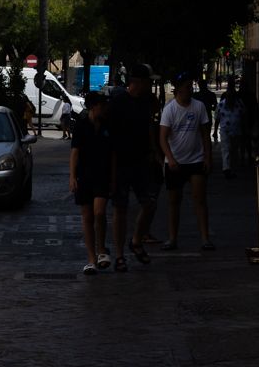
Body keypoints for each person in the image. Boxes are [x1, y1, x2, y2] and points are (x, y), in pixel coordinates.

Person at [108, 63, 162, 268]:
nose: (150, 86)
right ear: (138, 82)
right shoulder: (119, 102)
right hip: (121, 162)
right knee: (120, 209)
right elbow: (111, 137)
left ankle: (136, 240)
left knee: (149, 203)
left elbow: (149, 125)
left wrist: (153, 152)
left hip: (141, 161)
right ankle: (119, 255)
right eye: (148, 82)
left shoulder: (146, 101)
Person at [160, 72, 214, 251]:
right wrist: (170, 159)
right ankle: (172, 238)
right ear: (178, 89)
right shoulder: (170, 109)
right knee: (174, 201)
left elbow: (205, 134)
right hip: (175, 162)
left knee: (200, 199)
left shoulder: (199, 107)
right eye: (187, 87)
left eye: (191, 86)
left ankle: (205, 238)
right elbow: (163, 138)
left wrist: (207, 157)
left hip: (196, 160)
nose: (190, 90)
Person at [69, 91, 113, 275]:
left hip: (102, 175)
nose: (105, 108)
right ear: (94, 106)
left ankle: (101, 249)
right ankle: (91, 259)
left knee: (99, 212)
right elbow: (75, 152)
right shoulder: (81, 125)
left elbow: (113, 153)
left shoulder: (107, 124)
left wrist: (114, 176)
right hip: (84, 176)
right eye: (102, 105)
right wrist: (72, 176)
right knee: (87, 216)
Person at [216, 76, 247, 180]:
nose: (231, 98)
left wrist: (244, 129)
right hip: (225, 130)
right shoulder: (221, 105)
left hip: (236, 131)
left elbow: (244, 116)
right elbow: (217, 118)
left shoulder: (239, 103)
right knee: (226, 149)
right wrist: (215, 131)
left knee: (234, 150)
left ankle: (232, 168)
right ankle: (226, 169)